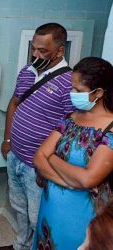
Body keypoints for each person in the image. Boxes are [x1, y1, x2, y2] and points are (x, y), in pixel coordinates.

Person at [0, 23, 75, 250]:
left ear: (59, 52)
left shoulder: (68, 82)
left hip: (37, 165)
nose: (35, 54)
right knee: (18, 207)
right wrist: (7, 140)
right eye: (34, 48)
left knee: (36, 217)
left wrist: (49, 164)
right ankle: (20, 245)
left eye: (43, 51)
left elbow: (70, 126)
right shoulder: (27, 71)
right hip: (15, 156)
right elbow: (14, 103)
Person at [33, 57, 113, 249]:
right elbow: (38, 157)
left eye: (79, 90)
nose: (72, 93)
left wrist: (51, 158)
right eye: (72, 88)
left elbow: (88, 179)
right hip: (50, 208)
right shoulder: (70, 118)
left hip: (82, 217)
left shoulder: (110, 129)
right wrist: (69, 182)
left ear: (99, 93)